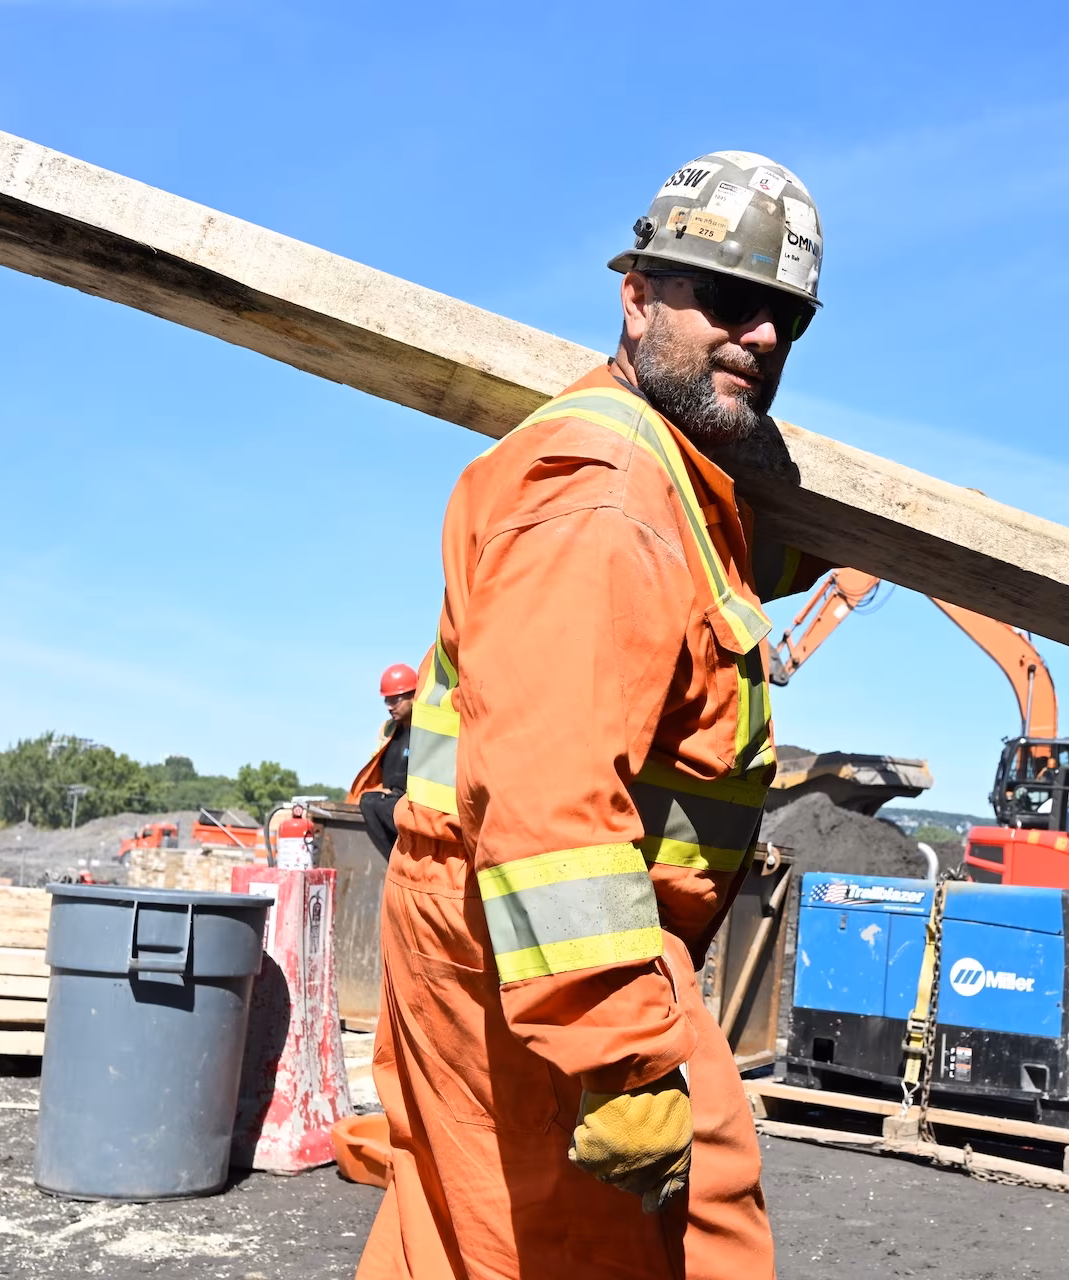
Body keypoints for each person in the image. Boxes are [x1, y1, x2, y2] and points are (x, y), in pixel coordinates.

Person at [359, 151, 827, 1280]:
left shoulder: (664, 472)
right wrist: (620, 1054)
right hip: (544, 973)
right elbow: (550, 799)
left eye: (787, 320)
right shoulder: (608, 496)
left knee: (466, 1236)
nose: (760, 336)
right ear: (638, 295)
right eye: (727, 297)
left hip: (507, 947)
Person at [348, 664, 417, 858]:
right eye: (387, 699)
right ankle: (395, 859)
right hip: (389, 801)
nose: (389, 706)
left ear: (414, 696)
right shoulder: (388, 731)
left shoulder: (425, 731)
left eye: (396, 699)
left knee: (371, 803)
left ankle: (404, 857)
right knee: (369, 801)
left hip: (412, 803)